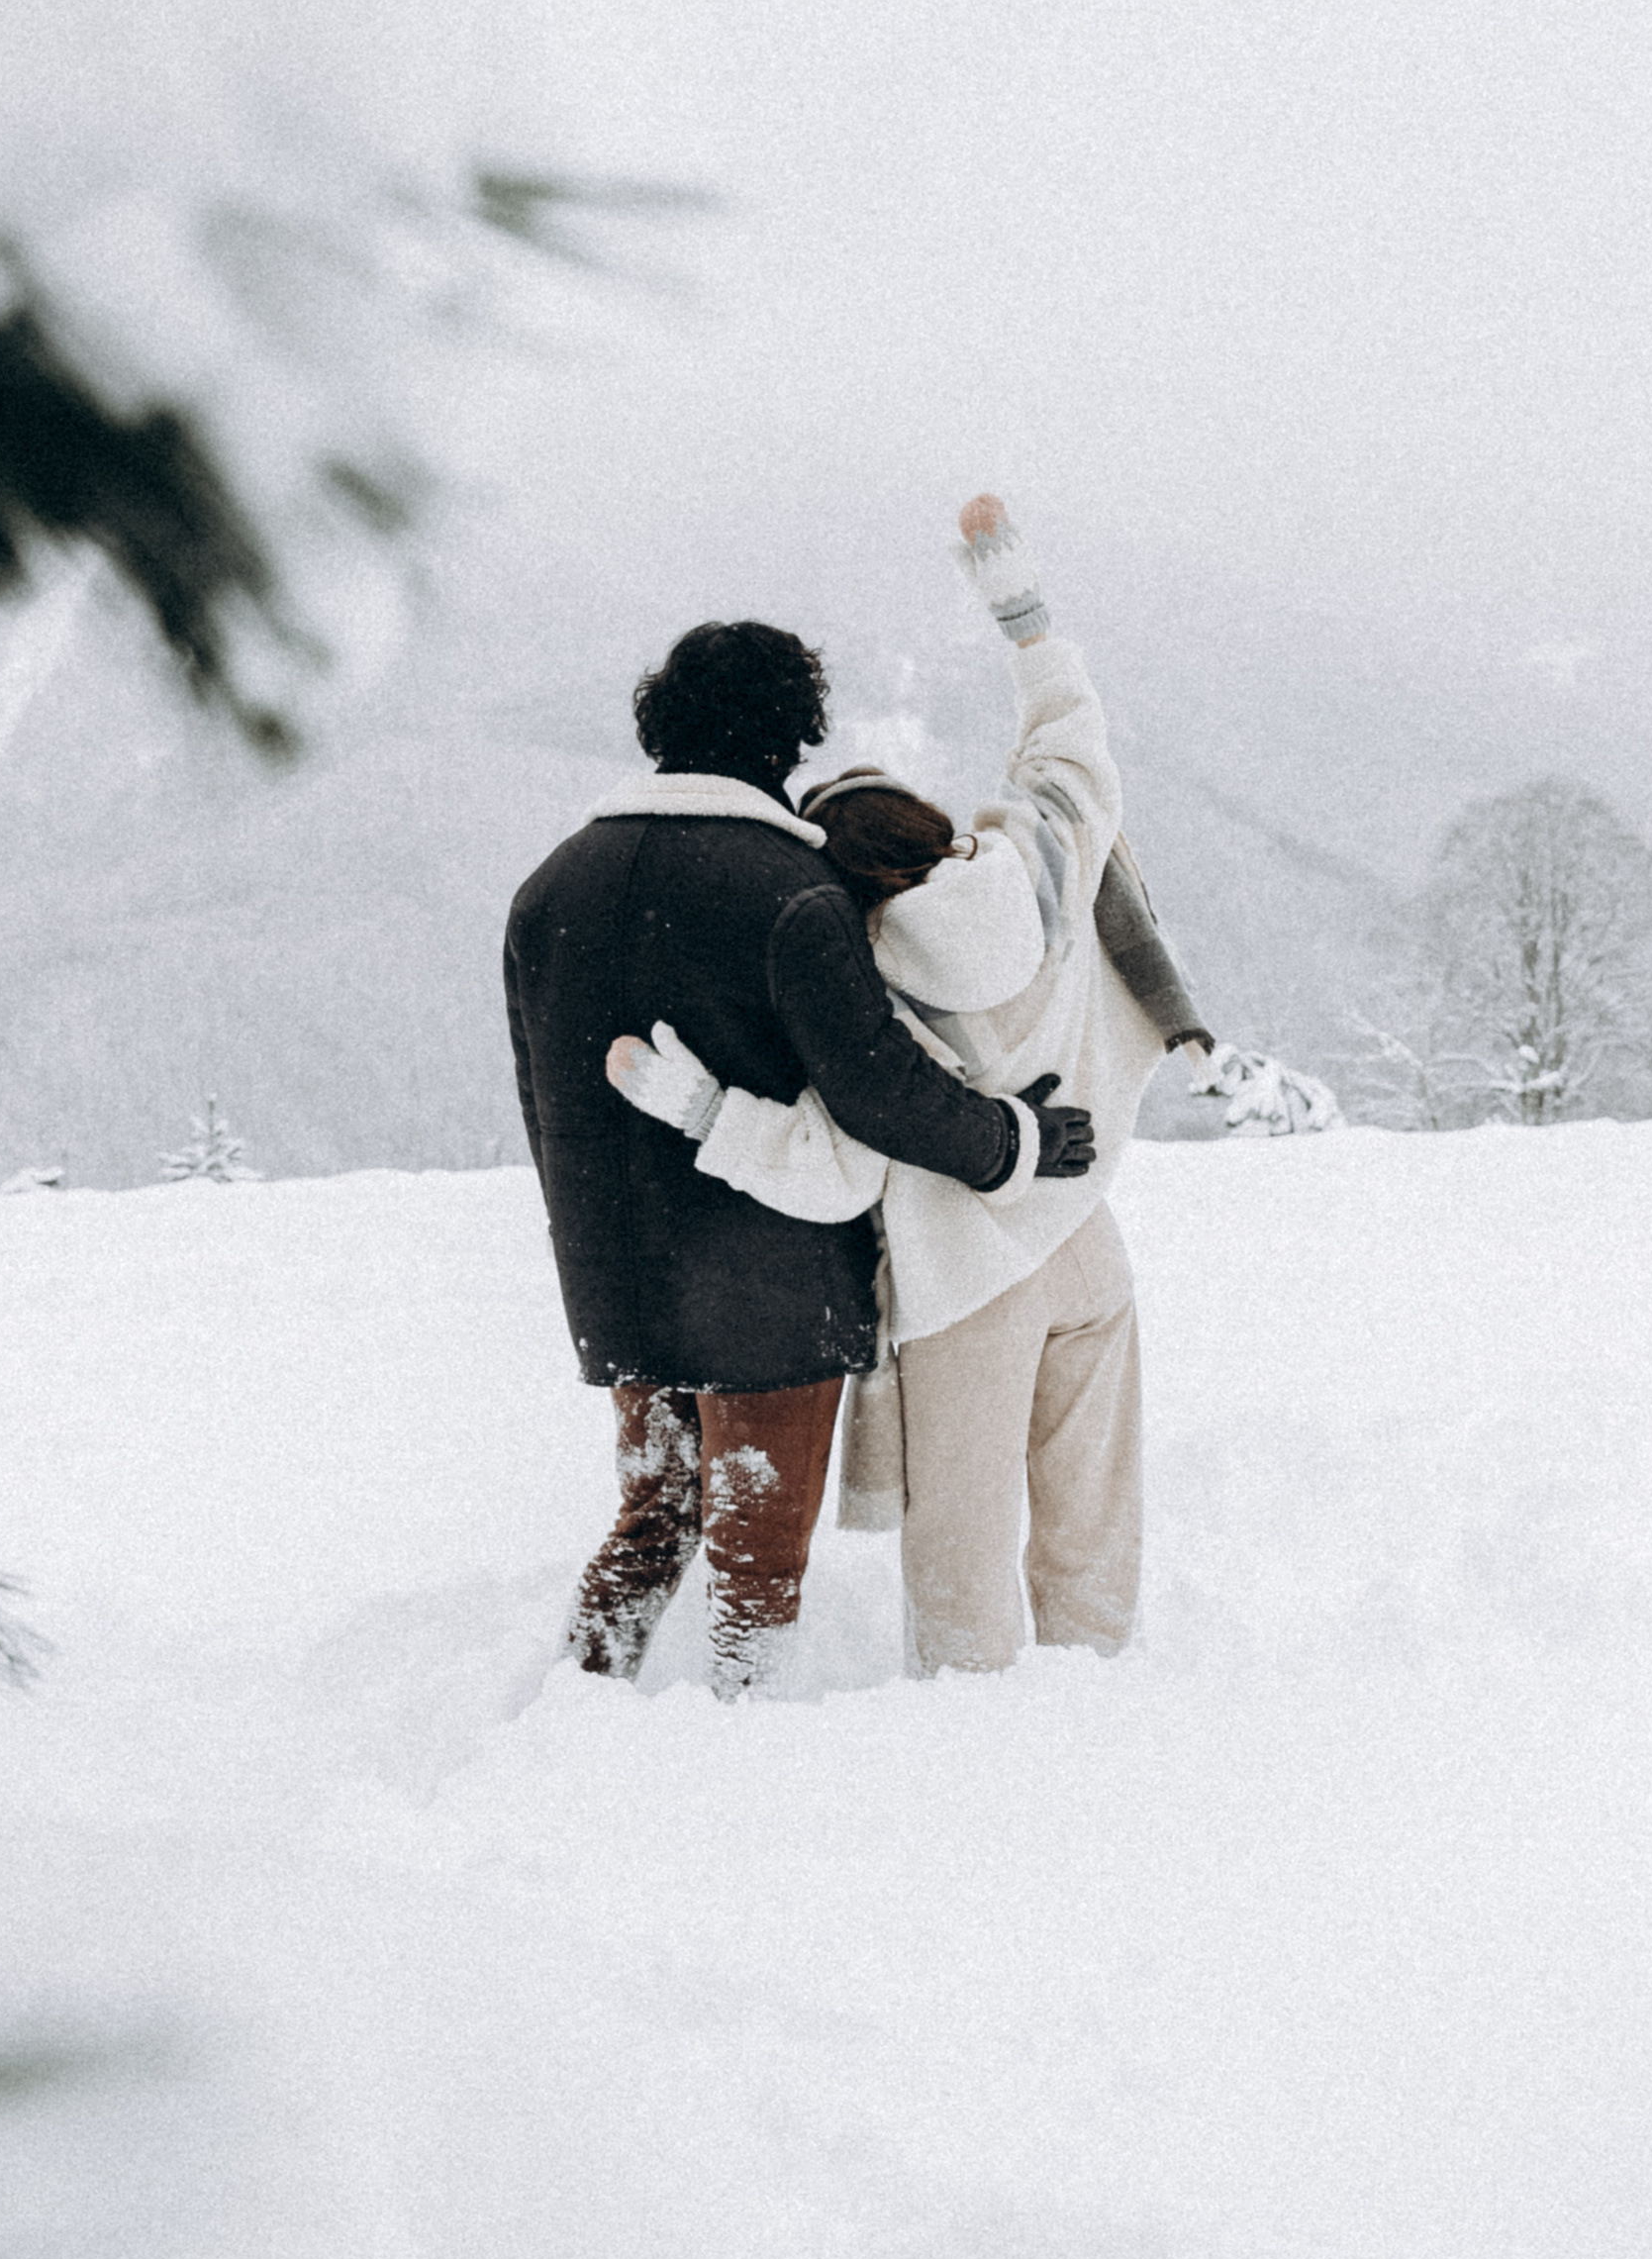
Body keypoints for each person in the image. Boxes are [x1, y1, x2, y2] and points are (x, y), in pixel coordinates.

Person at [610, 501, 1211, 1675]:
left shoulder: (856, 981)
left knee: (961, 1544)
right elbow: (1073, 751)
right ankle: (1096, 1685)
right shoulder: (1037, 868)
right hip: (1085, 1240)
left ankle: (970, 1723)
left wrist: (701, 1110)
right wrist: (1021, 614)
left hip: (965, 1278)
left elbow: (836, 1168)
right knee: (1092, 1502)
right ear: (932, 828)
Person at [504, 615, 1096, 1695]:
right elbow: (880, 1089)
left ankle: (571, 1712)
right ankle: (741, 1737)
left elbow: (542, 1104)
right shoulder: (789, 889)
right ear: (791, 735)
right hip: (766, 1291)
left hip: (616, 1280)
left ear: (659, 727)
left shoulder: (549, 890)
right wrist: (1014, 1140)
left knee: (653, 1515)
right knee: (757, 1553)